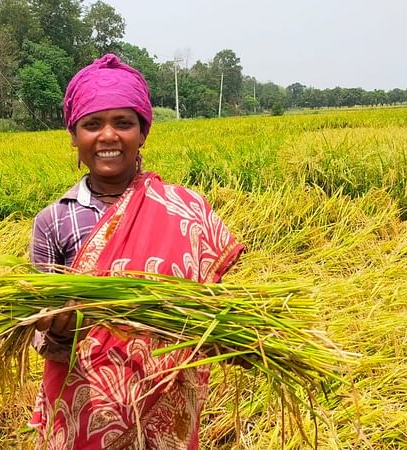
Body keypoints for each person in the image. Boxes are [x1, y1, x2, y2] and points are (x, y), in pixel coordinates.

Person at [28, 54, 245, 450]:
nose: (108, 136)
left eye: (123, 123)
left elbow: (214, 312)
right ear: (73, 135)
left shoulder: (186, 210)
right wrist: (57, 329)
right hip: (85, 411)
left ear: (142, 132)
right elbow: (42, 336)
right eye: (92, 124)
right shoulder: (54, 221)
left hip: (165, 408)